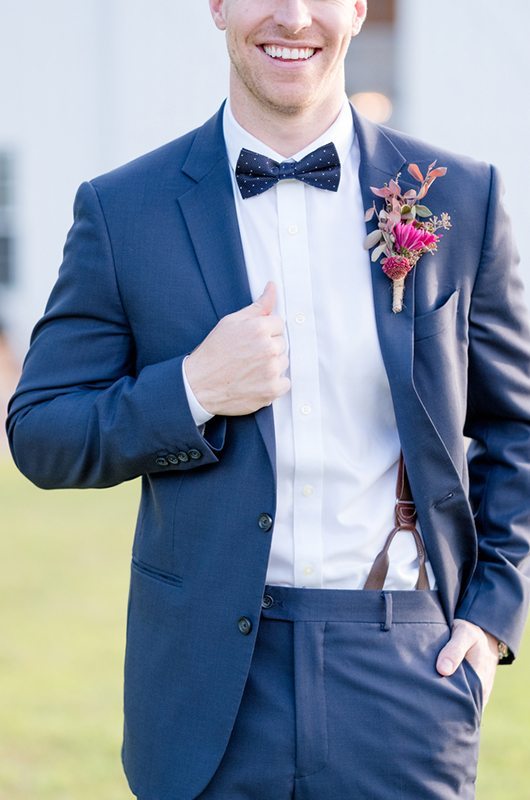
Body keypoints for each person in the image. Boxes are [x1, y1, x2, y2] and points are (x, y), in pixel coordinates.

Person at [7, 1, 530, 798]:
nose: (293, 16)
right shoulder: (124, 212)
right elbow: (41, 431)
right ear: (218, 5)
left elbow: (516, 429)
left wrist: (491, 619)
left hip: (404, 673)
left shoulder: (462, 198)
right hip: (201, 691)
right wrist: (191, 390)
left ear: (358, 7)